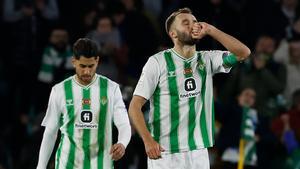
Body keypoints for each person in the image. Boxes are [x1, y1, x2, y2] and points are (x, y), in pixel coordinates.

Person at [128, 7, 251, 169]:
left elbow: (243, 53)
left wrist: (211, 30)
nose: (193, 25)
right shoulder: (157, 62)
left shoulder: (207, 59)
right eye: (185, 23)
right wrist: (148, 140)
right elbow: (134, 106)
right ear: (173, 34)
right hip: (166, 151)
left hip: (198, 150)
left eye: (194, 22)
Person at [36, 38, 131, 169]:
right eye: (82, 66)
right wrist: (40, 166)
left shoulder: (111, 88)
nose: (87, 71)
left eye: (91, 66)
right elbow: (51, 132)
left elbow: (124, 123)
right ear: (74, 61)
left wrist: (122, 143)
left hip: (101, 164)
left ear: (97, 61)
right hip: (67, 164)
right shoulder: (60, 90)